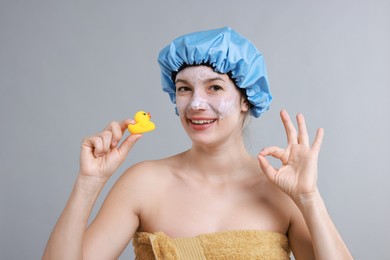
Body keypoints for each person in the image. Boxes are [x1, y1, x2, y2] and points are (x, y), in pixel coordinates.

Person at [43, 27, 352, 259]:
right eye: (184, 89)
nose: (195, 105)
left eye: (215, 87)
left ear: (246, 98)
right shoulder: (144, 183)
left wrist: (309, 199)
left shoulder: (282, 192)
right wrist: (88, 183)